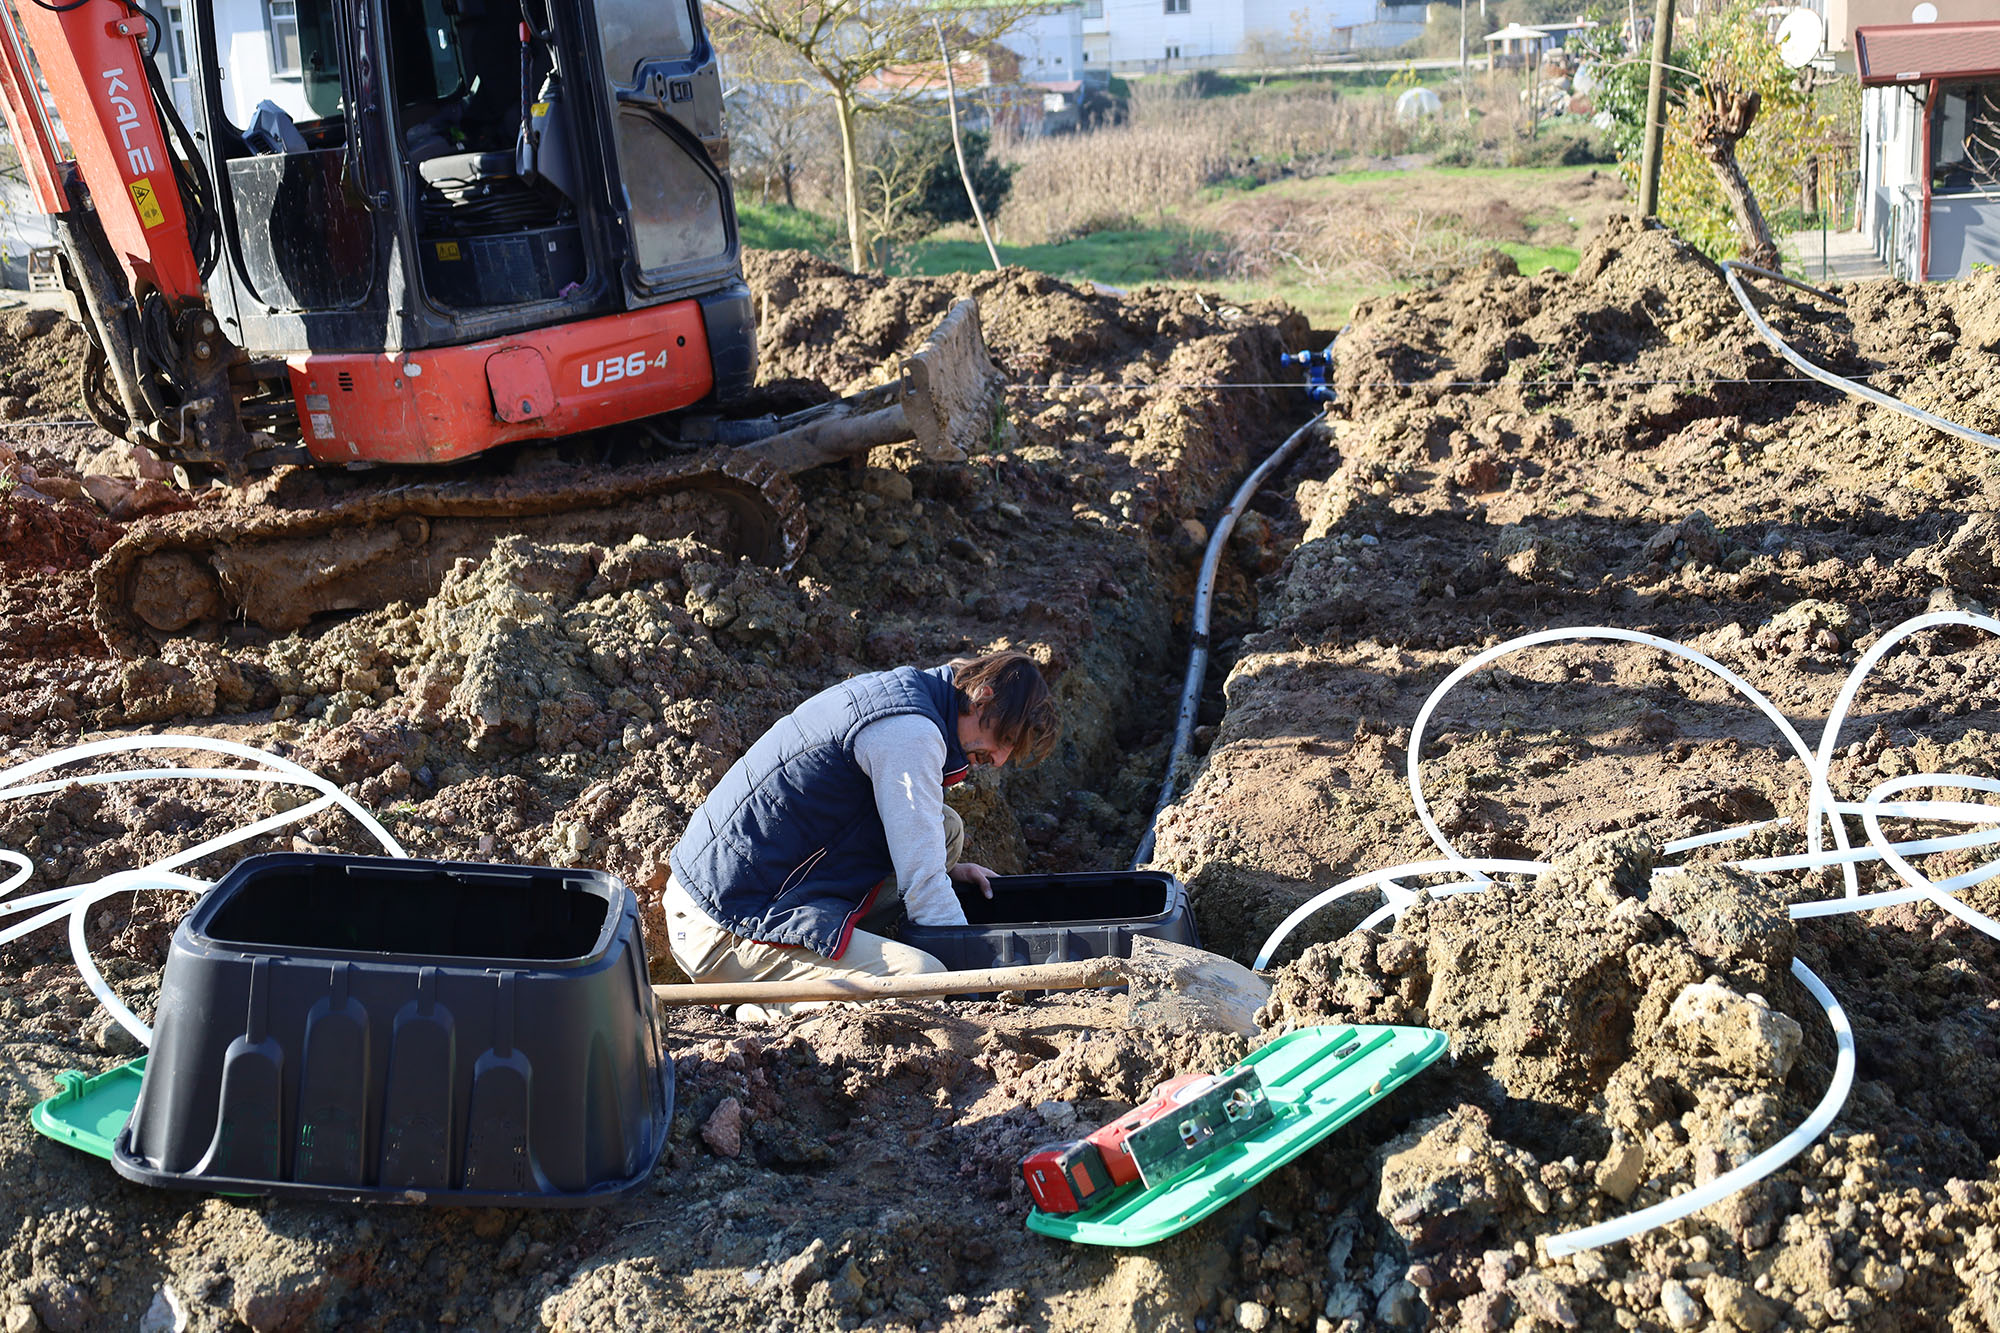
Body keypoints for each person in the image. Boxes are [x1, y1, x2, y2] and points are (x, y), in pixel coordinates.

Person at [661, 650, 1061, 1018]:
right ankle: (753, 1005)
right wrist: (986, 983)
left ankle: (832, 959)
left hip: (760, 888)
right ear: (982, 698)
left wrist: (944, 872)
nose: (999, 759)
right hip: (723, 925)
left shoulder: (914, 695)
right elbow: (925, 891)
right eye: (1004, 740)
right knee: (923, 980)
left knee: (946, 832)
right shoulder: (909, 735)